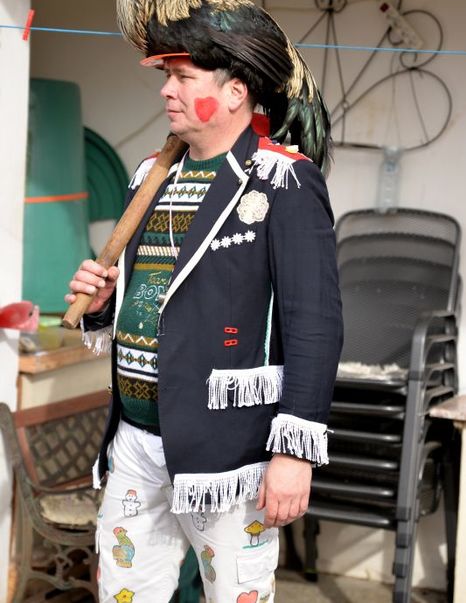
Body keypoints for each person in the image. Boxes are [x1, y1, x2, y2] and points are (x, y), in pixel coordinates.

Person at [66, 53, 343, 602]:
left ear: (236, 92)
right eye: (166, 78)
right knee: (123, 592)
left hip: (229, 451)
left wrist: (294, 453)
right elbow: (149, 293)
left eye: (183, 79)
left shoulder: (283, 179)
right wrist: (103, 304)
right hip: (135, 441)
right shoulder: (151, 174)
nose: (166, 91)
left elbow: (315, 324)